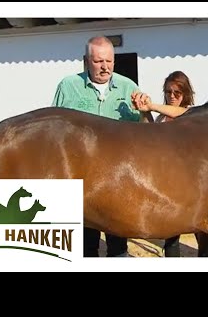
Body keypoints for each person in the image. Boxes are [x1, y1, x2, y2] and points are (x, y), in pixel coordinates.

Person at [52, 35, 151, 257]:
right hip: (80, 184)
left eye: (109, 61)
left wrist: (145, 111)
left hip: (118, 184)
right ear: (87, 60)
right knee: (85, 248)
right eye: (98, 62)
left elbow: (146, 133)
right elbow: (53, 131)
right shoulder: (68, 87)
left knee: (118, 247)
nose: (105, 67)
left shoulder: (129, 88)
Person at [131, 70, 195, 257]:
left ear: (185, 94)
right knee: (171, 236)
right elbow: (149, 133)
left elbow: (180, 113)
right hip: (166, 180)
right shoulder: (161, 117)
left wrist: (151, 105)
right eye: (168, 92)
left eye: (177, 93)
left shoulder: (191, 114)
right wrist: (145, 113)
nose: (172, 96)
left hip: (188, 182)